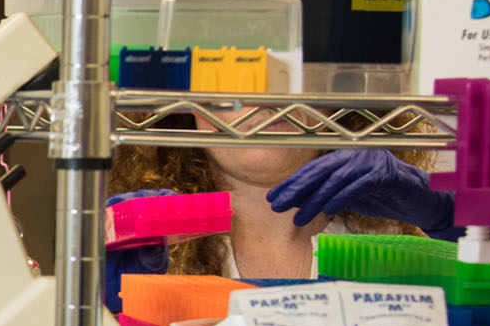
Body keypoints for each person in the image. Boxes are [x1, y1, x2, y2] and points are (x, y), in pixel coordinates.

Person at [102, 113, 457, 308]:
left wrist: (452, 219)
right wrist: (96, 312)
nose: (263, 98)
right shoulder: (148, 247)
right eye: (232, 75)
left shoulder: (401, 235)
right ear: (188, 107)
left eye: (288, 70)